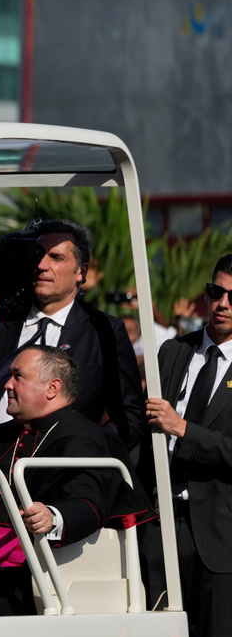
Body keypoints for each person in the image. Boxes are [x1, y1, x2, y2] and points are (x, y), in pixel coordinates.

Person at [0, 345, 151, 616]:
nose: (7, 384)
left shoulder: (88, 439)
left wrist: (53, 518)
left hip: (37, 572)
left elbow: (88, 499)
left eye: (18, 376)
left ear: (52, 388)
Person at [0, 219, 145, 450]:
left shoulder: (104, 330)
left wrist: (82, 451)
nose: (42, 265)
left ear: (81, 271)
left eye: (56, 257)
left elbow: (130, 417)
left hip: (59, 471)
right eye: (37, 255)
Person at [141, 254, 232, 637]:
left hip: (220, 532)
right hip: (162, 527)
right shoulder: (173, 351)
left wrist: (184, 429)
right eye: (217, 291)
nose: (224, 303)